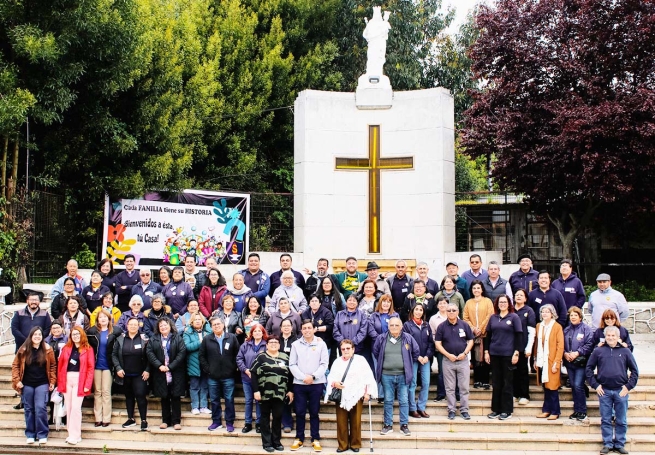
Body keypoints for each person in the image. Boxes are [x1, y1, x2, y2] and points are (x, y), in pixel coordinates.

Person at [586, 326, 639, 455]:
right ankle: (608, 444)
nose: (610, 338)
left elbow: (635, 371)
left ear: (618, 337)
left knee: (621, 419)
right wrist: (596, 385)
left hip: (621, 391)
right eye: (608, 335)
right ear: (605, 337)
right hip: (604, 391)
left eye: (613, 336)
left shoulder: (625, 351)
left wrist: (628, 387)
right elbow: (588, 369)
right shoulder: (598, 351)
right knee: (606, 419)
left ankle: (619, 444)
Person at [325, 339, 378, 453]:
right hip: (341, 395)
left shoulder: (361, 360)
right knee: (341, 421)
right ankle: (342, 445)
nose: (345, 351)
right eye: (343, 349)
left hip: (357, 394)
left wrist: (367, 392)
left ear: (353, 349)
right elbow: (330, 377)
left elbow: (368, 376)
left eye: (348, 348)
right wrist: (335, 383)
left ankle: (355, 444)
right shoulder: (337, 362)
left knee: (356, 421)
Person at [373, 316, 419, 436]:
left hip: (403, 375)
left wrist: (407, 364)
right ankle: (388, 425)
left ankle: (404, 425)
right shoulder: (381, 338)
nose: (394, 327)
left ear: (401, 326)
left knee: (404, 400)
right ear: (388, 327)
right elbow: (376, 352)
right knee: (388, 400)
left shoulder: (408, 338)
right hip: (386, 375)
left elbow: (416, 352)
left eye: (396, 325)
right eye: (392, 325)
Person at [289, 319, 329, 452]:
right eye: (304, 328)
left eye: (309, 328)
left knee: (314, 412)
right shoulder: (295, 345)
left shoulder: (321, 344)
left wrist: (313, 376)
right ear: (301, 330)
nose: (307, 330)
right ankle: (299, 438)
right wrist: (303, 377)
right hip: (300, 384)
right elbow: (292, 364)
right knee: (299, 412)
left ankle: (315, 438)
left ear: (313, 329)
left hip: (316, 383)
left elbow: (324, 364)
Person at [12, 327, 56, 445]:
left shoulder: (47, 349)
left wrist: (52, 381)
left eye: (39, 334)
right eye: (35, 334)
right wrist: (17, 381)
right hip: (27, 384)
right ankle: (30, 434)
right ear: (31, 336)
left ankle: (42, 434)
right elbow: (15, 366)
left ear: (42, 336)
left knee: (40, 408)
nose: (37, 336)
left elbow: (52, 366)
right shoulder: (23, 349)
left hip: (42, 383)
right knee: (29, 409)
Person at [251, 335, 294, 452]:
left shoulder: (285, 357)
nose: (274, 344)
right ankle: (267, 443)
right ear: (267, 345)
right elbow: (253, 374)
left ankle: (276, 441)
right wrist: (255, 391)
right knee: (264, 418)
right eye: (271, 342)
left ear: (279, 345)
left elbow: (290, 376)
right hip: (264, 394)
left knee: (277, 417)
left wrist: (290, 390)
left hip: (280, 394)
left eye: (276, 342)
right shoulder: (261, 357)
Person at [483, 295, 522, 420]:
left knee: (507, 383)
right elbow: (488, 336)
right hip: (494, 354)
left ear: (509, 303)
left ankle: (506, 410)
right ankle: (496, 409)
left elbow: (519, 336)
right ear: (497, 304)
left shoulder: (514, 317)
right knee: (496, 383)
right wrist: (486, 352)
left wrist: (516, 352)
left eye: (505, 302)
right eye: (500, 302)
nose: (503, 304)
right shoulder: (493, 317)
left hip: (508, 355)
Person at [200, 316, 240, 433]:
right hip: (213, 376)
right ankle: (216, 421)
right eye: (214, 325)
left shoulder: (231, 338)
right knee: (214, 400)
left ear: (223, 325)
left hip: (228, 376)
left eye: (218, 324)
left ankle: (229, 422)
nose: (216, 326)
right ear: (211, 327)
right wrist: (208, 369)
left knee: (229, 399)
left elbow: (237, 355)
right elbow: (201, 356)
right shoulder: (207, 339)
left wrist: (233, 368)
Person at [435, 303, 474, 420]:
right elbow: (437, 343)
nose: (451, 312)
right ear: (446, 312)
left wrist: (465, 353)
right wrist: (448, 354)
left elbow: (471, 340)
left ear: (458, 312)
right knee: (450, 388)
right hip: (448, 361)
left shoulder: (464, 325)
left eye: (453, 310)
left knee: (464, 387)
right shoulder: (441, 326)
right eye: (449, 310)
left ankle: (464, 410)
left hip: (462, 361)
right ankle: (451, 410)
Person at [147, 317, 187, 430]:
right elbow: (149, 353)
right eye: (161, 326)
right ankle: (165, 420)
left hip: (175, 371)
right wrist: (159, 366)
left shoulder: (177, 338)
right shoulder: (153, 339)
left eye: (165, 325)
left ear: (170, 326)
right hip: (160, 371)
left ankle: (176, 421)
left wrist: (170, 366)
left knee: (175, 396)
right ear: (158, 328)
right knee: (164, 397)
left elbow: (182, 352)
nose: (163, 327)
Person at [57, 326, 95, 444]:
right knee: (68, 407)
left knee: (76, 408)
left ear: (82, 334)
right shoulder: (66, 348)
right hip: (67, 378)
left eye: (78, 334)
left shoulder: (88, 349)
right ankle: (70, 433)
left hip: (80, 379)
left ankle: (76, 435)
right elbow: (60, 366)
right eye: (73, 334)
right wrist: (60, 382)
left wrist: (87, 384)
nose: (76, 336)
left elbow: (90, 368)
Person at [113, 317, 150, 431]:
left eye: (135, 324)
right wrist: (118, 368)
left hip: (140, 374)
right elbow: (114, 355)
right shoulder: (120, 339)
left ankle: (144, 420)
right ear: (127, 326)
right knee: (129, 397)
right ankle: (131, 419)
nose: (133, 326)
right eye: (131, 324)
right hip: (125, 374)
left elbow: (150, 355)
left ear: (138, 326)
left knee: (140, 395)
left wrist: (147, 370)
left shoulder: (144, 339)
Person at [87, 309, 122, 427]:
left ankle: (106, 418)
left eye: (105, 317)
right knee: (97, 392)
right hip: (96, 365)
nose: (103, 319)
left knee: (106, 392)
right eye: (100, 317)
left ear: (109, 319)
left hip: (108, 365)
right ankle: (98, 417)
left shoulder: (115, 331)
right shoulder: (91, 332)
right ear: (97, 319)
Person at [563, 306, 594, 420]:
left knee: (577, 385)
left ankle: (582, 411)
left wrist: (577, 353)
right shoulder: (566, 330)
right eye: (571, 315)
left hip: (581, 363)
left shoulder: (586, 329)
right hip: (569, 363)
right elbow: (561, 344)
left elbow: (589, 344)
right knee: (574, 386)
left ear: (580, 317)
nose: (573, 317)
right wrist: (565, 353)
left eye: (575, 315)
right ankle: (577, 410)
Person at [403, 304, 433, 418]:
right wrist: (417, 356)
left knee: (426, 383)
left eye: (421, 310)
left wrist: (427, 356)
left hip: (425, 359)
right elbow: (406, 343)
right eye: (417, 309)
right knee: (413, 384)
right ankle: (412, 408)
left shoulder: (426, 325)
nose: (419, 312)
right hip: (413, 358)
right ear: (412, 311)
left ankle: (421, 407)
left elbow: (431, 343)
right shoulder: (407, 325)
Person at [534, 304, 564, 420]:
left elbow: (560, 346)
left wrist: (557, 362)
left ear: (552, 314)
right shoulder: (539, 326)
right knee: (545, 386)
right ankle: (546, 410)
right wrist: (536, 359)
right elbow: (537, 344)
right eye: (543, 312)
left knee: (552, 387)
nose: (545, 314)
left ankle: (555, 411)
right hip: (542, 360)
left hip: (552, 360)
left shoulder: (557, 327)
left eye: (547, 312)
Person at [236, 324, 268, 433]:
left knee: (259, 401)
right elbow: (239, 359)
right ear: (252, 333)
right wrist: (245, 370)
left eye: (259, 331)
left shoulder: (266, 345)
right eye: (255, 331)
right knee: (249, 400)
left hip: (261, 379)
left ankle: (259, 423)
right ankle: (248, 423)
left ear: (263, 333)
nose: (257, 333)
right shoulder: (245, 345)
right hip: (247, 377)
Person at [367, 294, 399, 403]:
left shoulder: (395, 315)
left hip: (391, 348)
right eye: (384, 301)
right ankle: (380, 394)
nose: (386, 304)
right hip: (376, 346)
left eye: (388, 302)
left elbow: (397, 330)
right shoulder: (374, 316)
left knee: (389, 371)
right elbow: (371, 330)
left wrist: (387, 340)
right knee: (378, 370)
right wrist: (381, 340)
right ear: (380, 303)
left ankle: (390, 394)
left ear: (391, 304)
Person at [462, 280, 494, 389]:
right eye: (474, 288)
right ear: (471, 290)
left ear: (482, 289)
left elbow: (490, 315)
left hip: (485, 334)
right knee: (475, 358)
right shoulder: (468, 302)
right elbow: (465, 317)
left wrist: (481, 328)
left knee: (485, 358)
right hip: (473, 335)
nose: (476, 290)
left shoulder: (487, 301)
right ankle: (477, 380)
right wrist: (473, 328)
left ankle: (485, 381)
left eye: (478, 288)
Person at [183, 312, 211, 415]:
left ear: (203, 321)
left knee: (204, 385)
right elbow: (187, 347)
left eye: (199, 319)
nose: (198, 321)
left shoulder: (209, 331)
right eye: (195, 320)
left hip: (206, 363)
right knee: (194, 386)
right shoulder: (187, 333)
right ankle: (194, 406)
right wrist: (201, 342)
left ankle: (203, 406)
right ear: (192, 322)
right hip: (193, 363)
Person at [512, 289, 536, 405]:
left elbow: (531, 331)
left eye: (521, 295)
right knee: (512, 372)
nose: (519, 297)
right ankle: (514, 394)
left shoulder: (529, 310)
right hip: (510, 346)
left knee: (522, 371)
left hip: (522, 345)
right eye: (517, 295)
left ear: (525, 298)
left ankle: (524, 395)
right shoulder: (510, 309)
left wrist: (529, 348)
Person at [279, 318, 298, 433]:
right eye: (284, 326)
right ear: (280, 328)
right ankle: (287, 423)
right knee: (284, 398)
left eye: (288, 325)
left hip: (294, 372)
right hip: (280, 373)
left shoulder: (297, 340)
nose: (286, 327)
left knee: (294, 398)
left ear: (292, 327)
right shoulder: (276, 340)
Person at [429, 296, 449, 402]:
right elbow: (432, 334)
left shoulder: (453, 315)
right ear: (437, 305)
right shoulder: (433, 318)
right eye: (440, 303)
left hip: (452, 349)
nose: (442, 305)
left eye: (444, 303)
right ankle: (441, 394)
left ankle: (455, 393)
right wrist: (438, 344)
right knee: (442, 372)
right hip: (440, 349)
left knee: (452, 372)